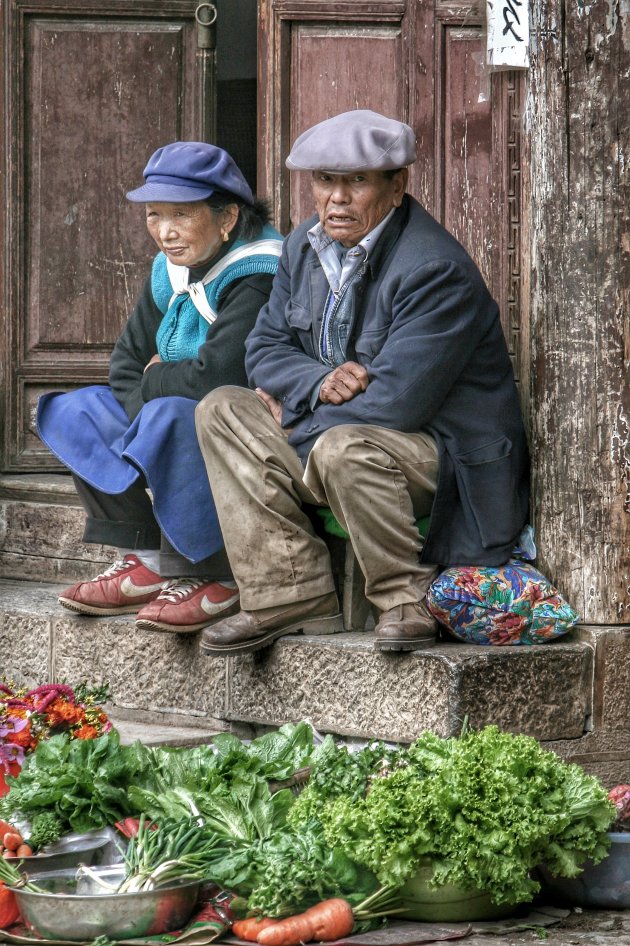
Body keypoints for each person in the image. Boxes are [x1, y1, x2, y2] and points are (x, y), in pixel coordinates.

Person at [194, 109, 530, 655]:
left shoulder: (433, 269)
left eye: (357, 181)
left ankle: (405, 599)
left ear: (397, 187)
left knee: (343, 447)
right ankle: (288, 593)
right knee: (222, 409)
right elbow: (262, 350)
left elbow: (396, 405)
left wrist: (296, 411)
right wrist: (318, 382)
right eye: (326, 180)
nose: (338, 199)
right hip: (334, 428)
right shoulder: (304, 244)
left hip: (441, 454)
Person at [36, 141, 283, 633]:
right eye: (154, 215)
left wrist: (155, 382)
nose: (165, 232)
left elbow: (218, 376)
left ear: (228, 216)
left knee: (170, 413)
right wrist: (147, 399)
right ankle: (147, 555)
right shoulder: (168, 269)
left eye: (181, 215)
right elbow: (127, 362)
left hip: (234, 425)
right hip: (170, 410)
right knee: (78, 410)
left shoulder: (258, 271)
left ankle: (214, 569)